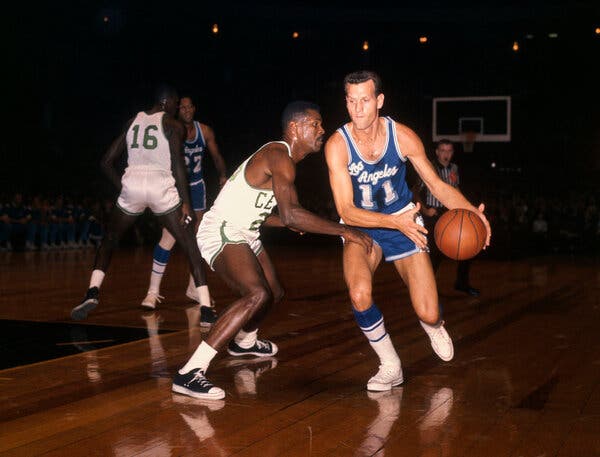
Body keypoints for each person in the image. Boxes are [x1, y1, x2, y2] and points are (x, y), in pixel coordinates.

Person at [171, 101, 373, 400]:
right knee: (257, 294)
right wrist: (344, 229)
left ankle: (245, 342)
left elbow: (268, 211)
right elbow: (292, 213)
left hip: (245, 231)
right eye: (315, 124)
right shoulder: (279, 155)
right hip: (221, 230)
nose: (321, 129)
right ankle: (190, 372)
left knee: (275, 292)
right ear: (295, 127)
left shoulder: (285, 159)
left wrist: (285, 222)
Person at [324, 71, 491, 392]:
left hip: (402, 218)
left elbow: (437, 186)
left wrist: (473, 214)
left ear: (379, 101)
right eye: (351, 101)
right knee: (359, 294)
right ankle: (390, 365)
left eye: (365, 100)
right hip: (362, 226)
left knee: (428, 313)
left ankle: (434, 324)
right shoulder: (337, 145)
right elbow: (345, 211)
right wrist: (394, 223)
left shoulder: (402, 136)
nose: (357, 109)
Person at [71, 85, 211, 320]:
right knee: (189, 246)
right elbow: (178, 166)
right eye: (176, 103)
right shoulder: (172, 125)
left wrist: (123, 187)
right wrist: (186, 202)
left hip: (133, 186)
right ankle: (206, 309)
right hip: (160, 187)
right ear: (167, 102)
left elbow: (105, 162)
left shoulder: (132, 121)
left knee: (109, 240)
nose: (177, 108)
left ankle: (92, 292)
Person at [140, 96, 227, 327]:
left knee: (197, 237)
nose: (187, 110)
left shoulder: (204, 131)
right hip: (176, 187)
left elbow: (216, 156)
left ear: (194, 109)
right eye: (183, 107)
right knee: (168, 236)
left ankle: (193, 288)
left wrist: (222, 175)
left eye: (190, 107)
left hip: (196, 188)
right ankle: (152, 291)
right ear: (178, 110)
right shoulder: (172, 129)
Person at [413, 139, 481, 296]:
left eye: (449, 151)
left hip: (451, 212)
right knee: (435, 254)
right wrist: (425, 210)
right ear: (437, 152)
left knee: (466, 246)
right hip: (434, 214)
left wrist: (466, 206)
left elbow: (455, 188)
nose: (446, 154)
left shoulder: (454, 168)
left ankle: (462, 283)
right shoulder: (428, 167)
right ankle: (427, 289)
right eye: (443, 150)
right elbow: (415, 191)